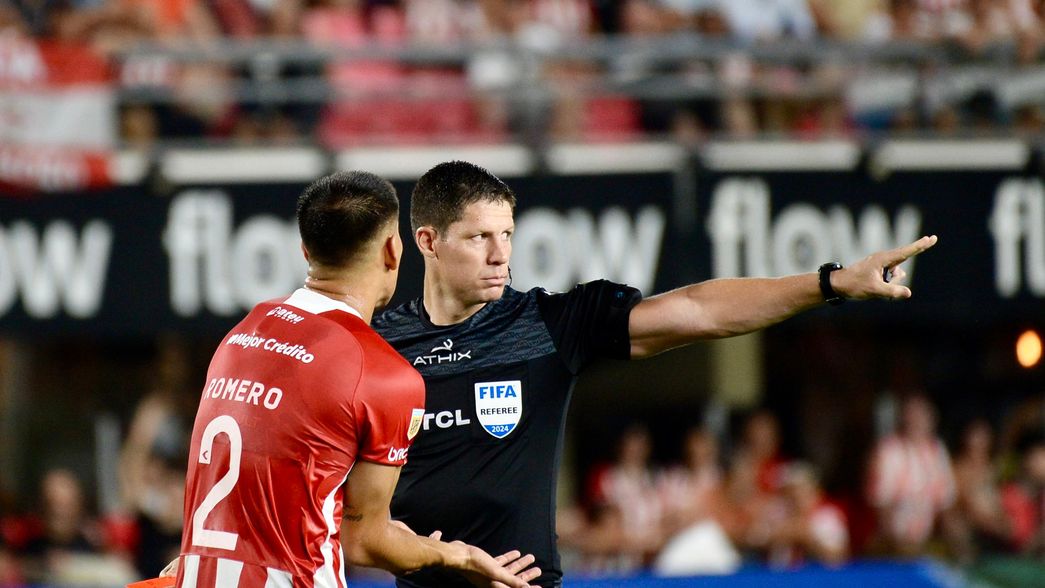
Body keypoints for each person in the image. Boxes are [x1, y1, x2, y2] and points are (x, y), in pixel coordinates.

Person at [373, 160, 938, 587]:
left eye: (508, 234)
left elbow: (699, 308)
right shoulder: (376, 344)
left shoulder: (547, 325)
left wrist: (829, 284)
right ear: (428, 241)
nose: (501, 254)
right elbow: (340, 515)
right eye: (479, 237)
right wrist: (442, 556)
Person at [169, 171, 537, 588]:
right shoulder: (382, 373)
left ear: (305, 251)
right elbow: (364, 539)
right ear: (392, 250)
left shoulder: (245, 332)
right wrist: (457, 555)